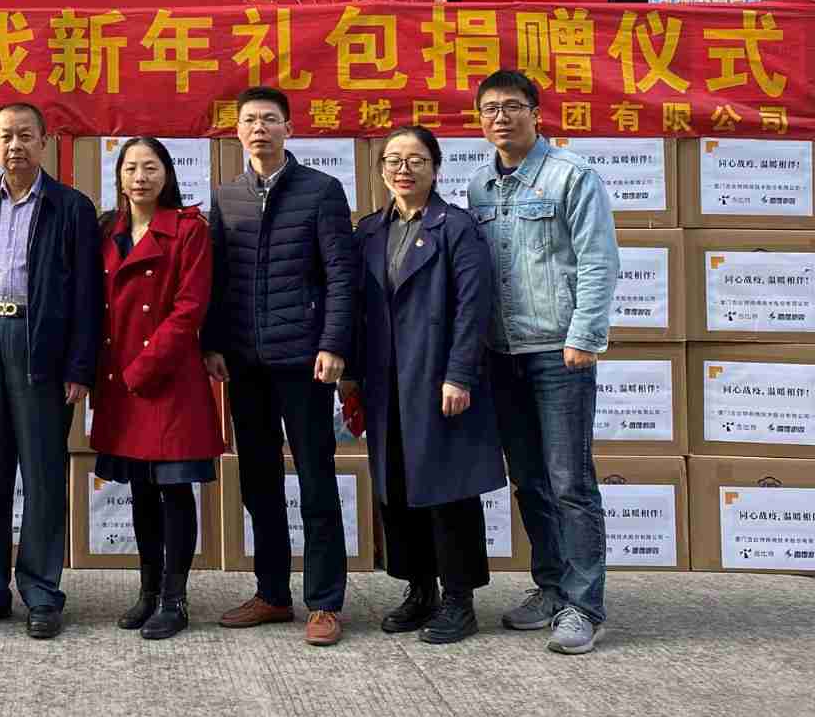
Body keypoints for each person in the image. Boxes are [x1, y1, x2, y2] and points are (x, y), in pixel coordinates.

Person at [468, 69, 618, 656]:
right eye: (489, 109)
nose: (500, 117)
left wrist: (584, 337)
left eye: (512, 106)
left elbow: (599, 260)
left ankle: (584, 606)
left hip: (559, 352)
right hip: (501, 354)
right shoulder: (479, 186)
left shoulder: (571, 175)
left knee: (570, 482)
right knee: (529, 480)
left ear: (536, 113)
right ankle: (552, 587)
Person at [204, 85, 356, 647]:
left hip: (304, 360)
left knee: (315, 479)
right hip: (245, 363)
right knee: (258, 481)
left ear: (289, 128)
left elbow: (341, 275)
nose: (259, 129)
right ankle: (271, 593)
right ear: (237, 131)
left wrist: (333, 342)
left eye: (270, 119)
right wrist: (213, 343)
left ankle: (325, 602)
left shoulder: (321, 191)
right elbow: (217, 279)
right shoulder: (227, 197)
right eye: (249, 120)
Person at [340, 126, 504, 645]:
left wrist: (460, 374)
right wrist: (351, 376)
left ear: (435, 168)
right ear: (381, 170)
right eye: (393, 160)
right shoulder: (369, 230)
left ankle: (459, 598)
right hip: (385, 379)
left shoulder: (456, 227)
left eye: (416, 160)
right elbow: (355, 309)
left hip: (436, 377)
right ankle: (419, 589)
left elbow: (474, 307)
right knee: (397, 487)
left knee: (448, 489)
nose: (403, 169)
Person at [0, 102, 102, 640]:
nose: (15, 146)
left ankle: (41, 592)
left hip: (42, 347)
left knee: (42, 476)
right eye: (6, 137)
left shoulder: (71, 207)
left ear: (44, 142)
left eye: (25, 136)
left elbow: (88, 295)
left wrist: (80, 365)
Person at [90, 137, 221, 641]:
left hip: (167, 377)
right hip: (119, 377)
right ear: (119, 177)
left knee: (174, 488)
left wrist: (144, 366)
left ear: (167, 174)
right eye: (130, 168)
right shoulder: (108, 230)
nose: (140, 177)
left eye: (150, 167)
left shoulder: (189, 229)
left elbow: (190, 308)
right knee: (141, 489)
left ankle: (175, 598)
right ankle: (147, 591)